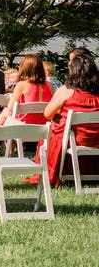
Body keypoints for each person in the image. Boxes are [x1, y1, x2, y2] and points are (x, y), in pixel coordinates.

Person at [43, 52, 99, 187]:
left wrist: (60, 116)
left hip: (75, 140)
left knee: (52, 130)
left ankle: (58, 172)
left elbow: (47, 114)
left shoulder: (66, 90)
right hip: (96, 139)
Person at [0, 53, 53, 127]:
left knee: (5, 112)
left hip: (24, 127)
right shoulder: (49, 85)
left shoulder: (22, 85)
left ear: (24, 68)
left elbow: (10, 108)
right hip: (45, 127)